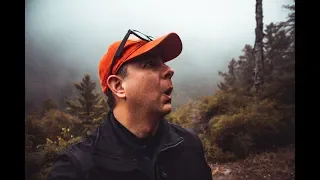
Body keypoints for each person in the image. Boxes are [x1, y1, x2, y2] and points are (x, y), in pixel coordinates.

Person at [48, 29, 212, 180]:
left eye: (163, 63)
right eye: (150, 64)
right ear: (118, 87)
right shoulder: (76, 168)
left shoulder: (189, 143)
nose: (170, 70)